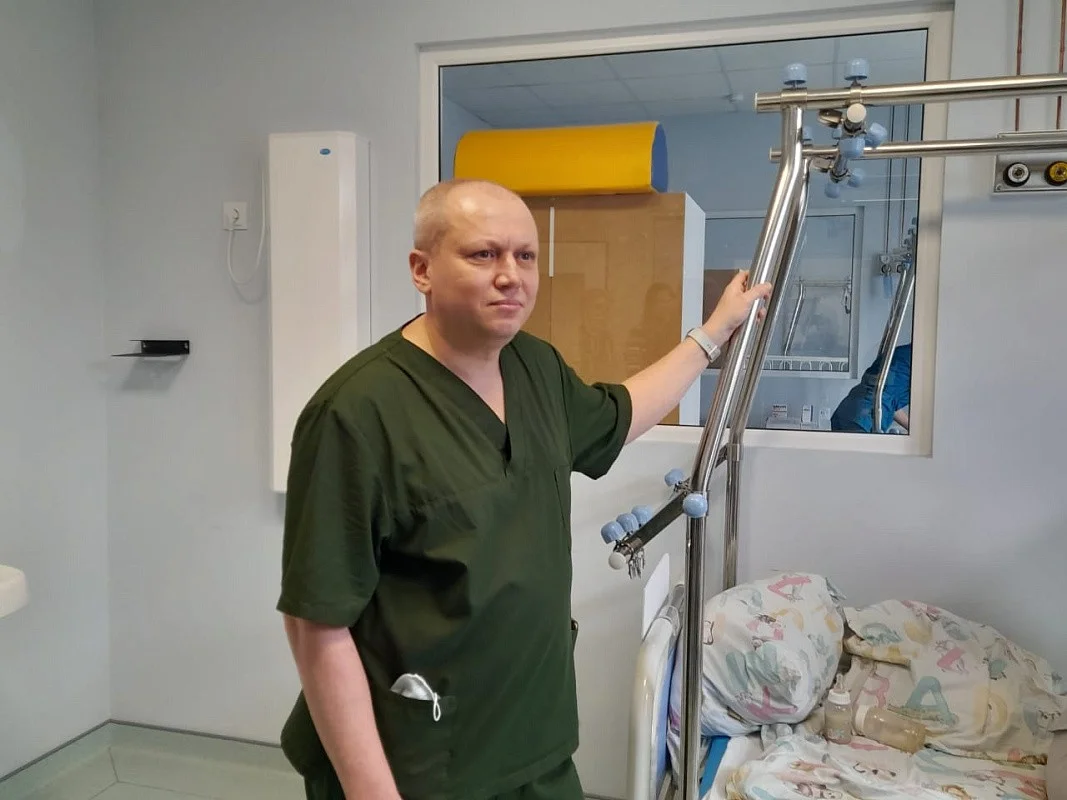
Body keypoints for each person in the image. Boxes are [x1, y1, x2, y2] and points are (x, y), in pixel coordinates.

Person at [276, 178, 771, 800]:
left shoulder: (536, 367)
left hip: (535, 742)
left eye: (526, 256)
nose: (511, 275)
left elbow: (618, 415)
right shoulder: (355, 414)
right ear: (422, 269)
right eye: (483, 254)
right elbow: (316, 622)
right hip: (419, 759)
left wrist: (713, 334)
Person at [830, 343, 912, 433]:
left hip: (847, 412)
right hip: (864, 417)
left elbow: (889, 400)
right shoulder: (917, 361)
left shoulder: (899, 353)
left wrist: (913, 429)